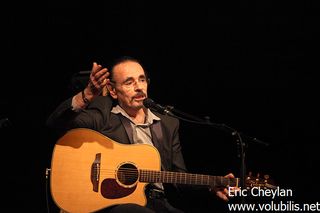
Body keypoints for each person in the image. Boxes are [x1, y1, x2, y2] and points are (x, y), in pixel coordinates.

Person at [46, 56, 235, 213]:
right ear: (112, 90)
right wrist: (86, 95)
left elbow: (179, 177)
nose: (139, 87)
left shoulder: (168, 124)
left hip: (158, 203)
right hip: (116, 204)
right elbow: (56, 124)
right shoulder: (103, 115)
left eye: (142, 79)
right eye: (129, 82)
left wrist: (211, 184)